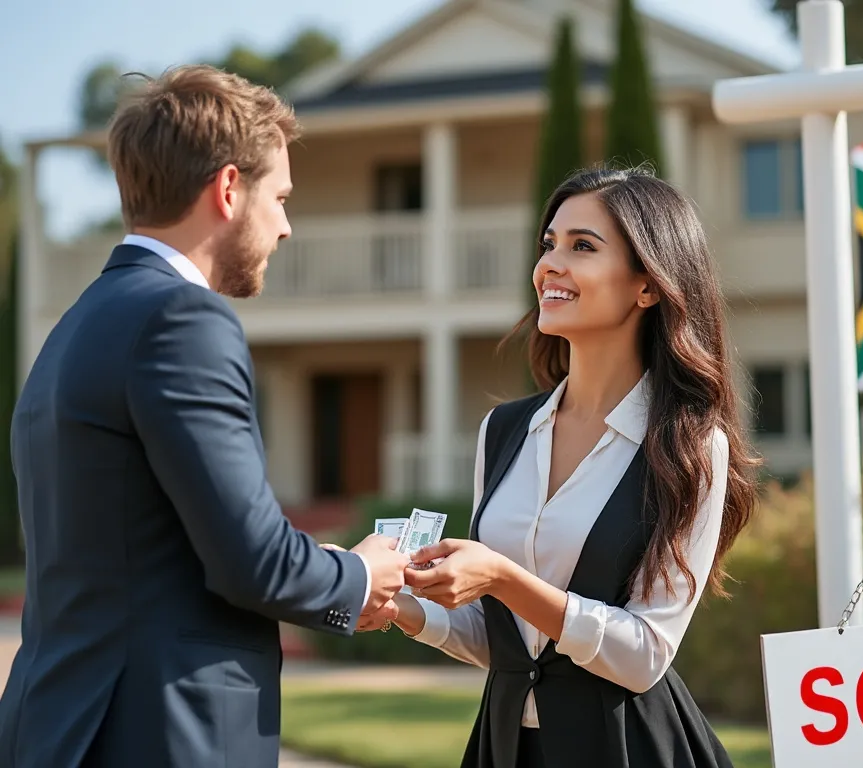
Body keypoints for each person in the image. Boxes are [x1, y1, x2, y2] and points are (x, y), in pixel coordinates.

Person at [0, 65, 409, 768]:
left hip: (58, 728)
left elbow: (171, 548)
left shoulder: (70, 330)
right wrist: (361, 576)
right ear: (227, 190)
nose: (285, 226)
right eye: (278, 198)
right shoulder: (182, 319)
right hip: (159, 735)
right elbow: (252, 562)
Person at [359, 166, 761, 768]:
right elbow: (510, 643)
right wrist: (405, 608)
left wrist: (501, 577)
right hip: (507, 747)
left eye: (582, 247)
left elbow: (645, 653)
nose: (550, 264)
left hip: (628, 749)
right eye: (548, 244)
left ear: (647, 286)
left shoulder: (690, 446)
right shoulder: (503, 433)